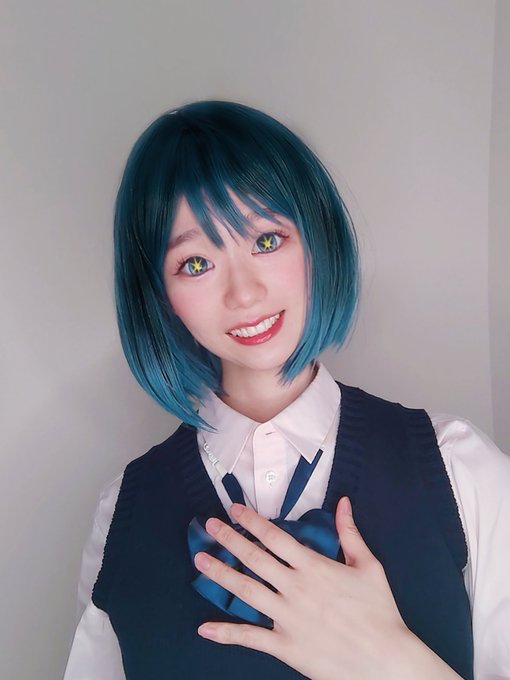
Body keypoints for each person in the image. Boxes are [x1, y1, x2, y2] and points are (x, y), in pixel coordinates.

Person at [63, 101, 510, 680]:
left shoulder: (459, 467)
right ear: (159, 297)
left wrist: (390, 659)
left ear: (316, 241)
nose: (244, 293)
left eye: (268, 240)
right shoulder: (122, 513)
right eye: (195, 263)